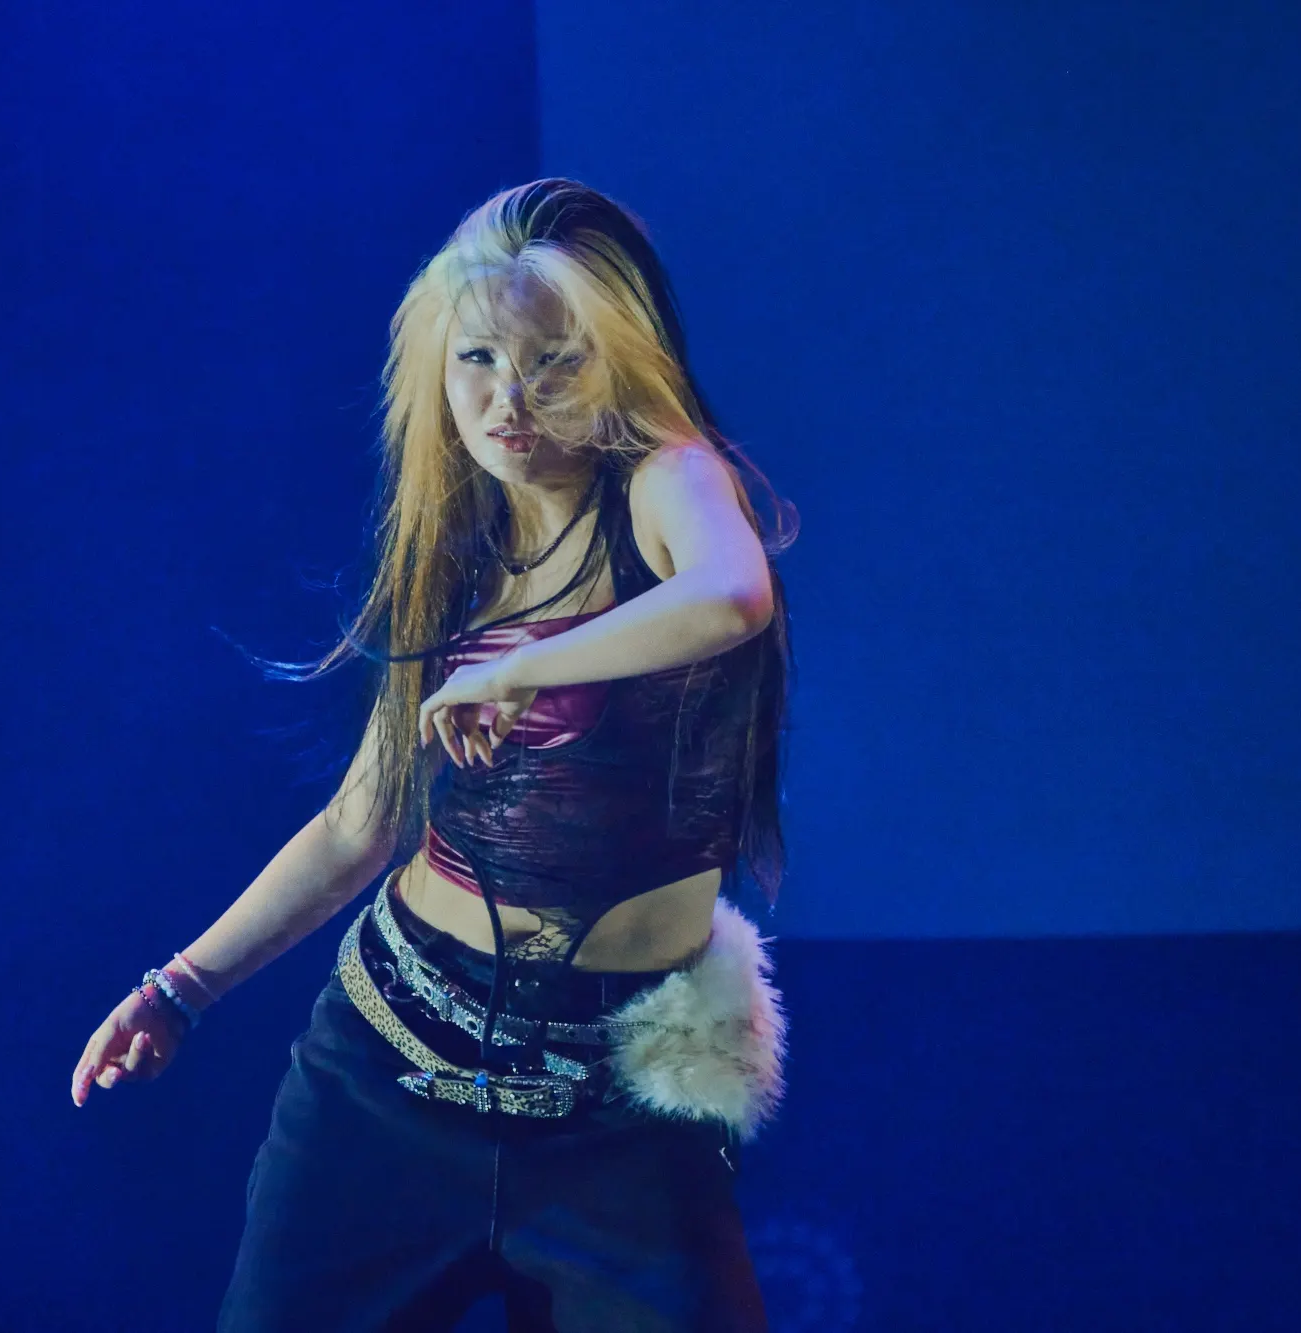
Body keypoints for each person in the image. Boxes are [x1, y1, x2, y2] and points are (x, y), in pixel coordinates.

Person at [71, 178, 796, 1332]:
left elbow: (731, 595)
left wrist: (520, 667)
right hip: (385, 1072)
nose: (509, 399)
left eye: (552, 362)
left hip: (616, 1113)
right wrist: (180, 988)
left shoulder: (667, 481)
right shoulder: (452, 558)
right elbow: (360, 825)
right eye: (478, 360)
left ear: (612, 360)